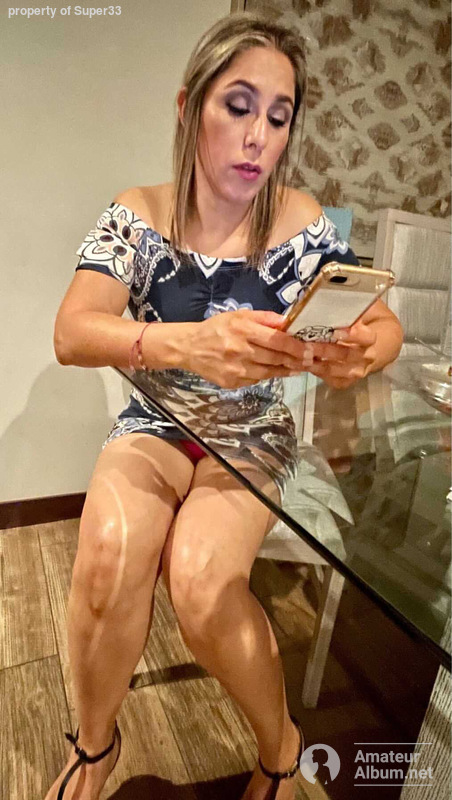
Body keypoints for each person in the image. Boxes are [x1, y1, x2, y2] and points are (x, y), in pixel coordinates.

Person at [47, 10, 403, 800]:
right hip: (158, 421)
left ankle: (280, 749)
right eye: (238, 106)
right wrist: (188, 343)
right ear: (189, 107)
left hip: (251, 432)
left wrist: (361, 353)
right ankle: (95, 746)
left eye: (278, 117)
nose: (257, 138)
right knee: (108, 550)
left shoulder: (299, 222)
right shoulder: (140, 214)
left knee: (203, 582)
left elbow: (384, 327)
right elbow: (72, 332)